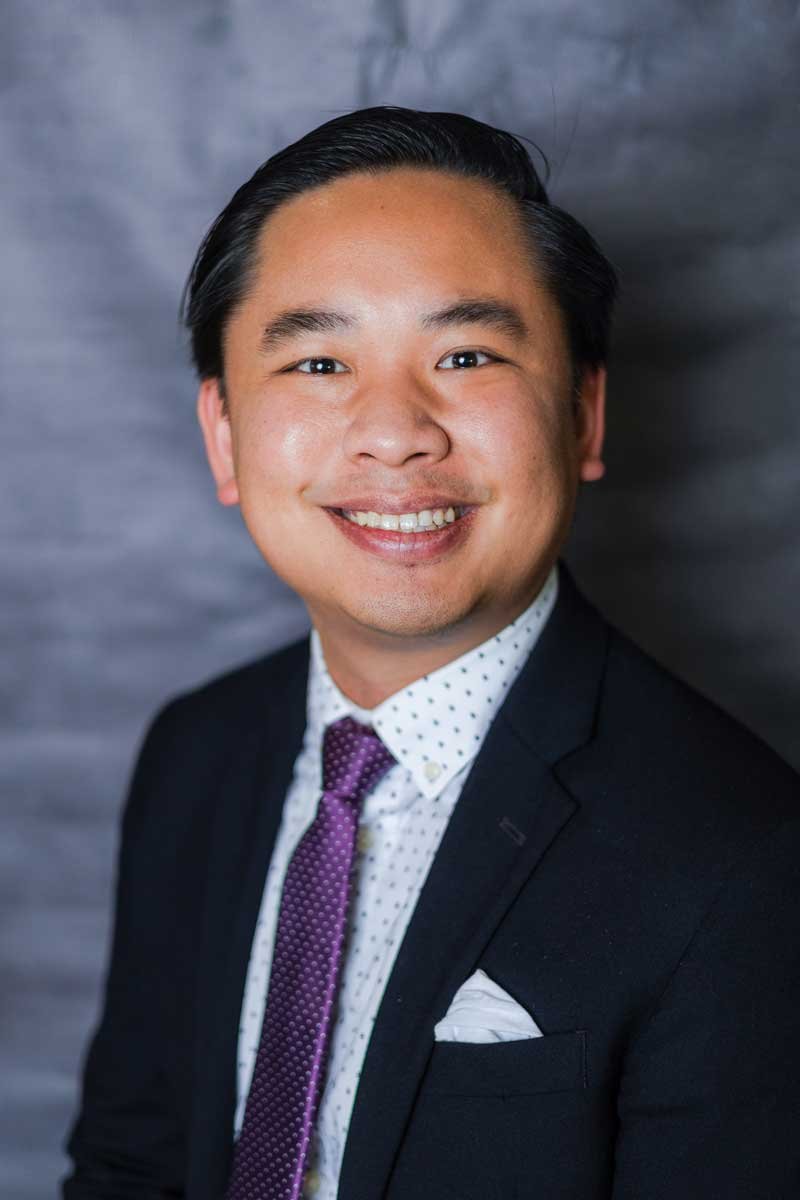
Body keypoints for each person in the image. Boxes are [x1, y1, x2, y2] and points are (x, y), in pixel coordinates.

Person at [63, 106, 800, 1200]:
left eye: (465, 354)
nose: (394, 430)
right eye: (318, 363)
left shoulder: (741, 860)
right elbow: (128, 1165)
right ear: (223, 437)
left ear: (583, 417)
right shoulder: (195, 755)